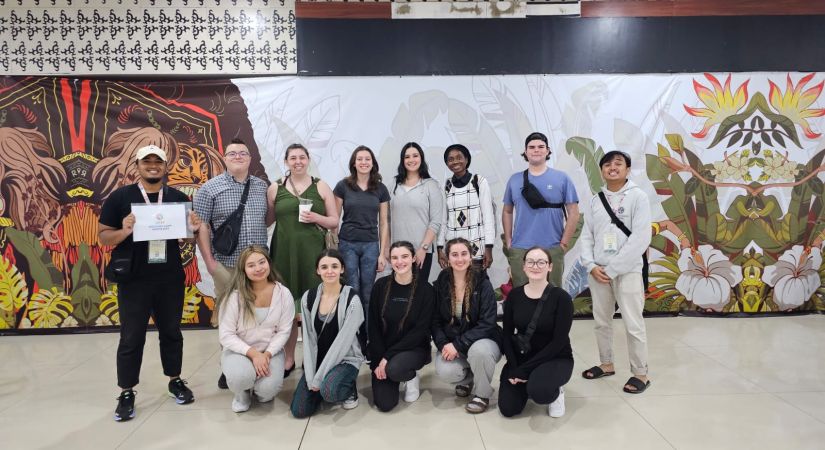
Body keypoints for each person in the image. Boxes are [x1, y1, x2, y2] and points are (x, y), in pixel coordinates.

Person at [98, 144, 201, 422]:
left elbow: (187, 240)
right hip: (134, 280)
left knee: (171, 332)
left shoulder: (177, 198)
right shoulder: (120, 198)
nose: (152, 165)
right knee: (132, 337)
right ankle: (127, 391)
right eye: (147, 161)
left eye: (158, 161)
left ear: (165, 166)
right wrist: (125, 230)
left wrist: (192, 229)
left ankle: (175, 380)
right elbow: (104, 237)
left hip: (169, 277)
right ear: (138, 165)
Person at [193, 137, 270, 389]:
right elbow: (201, 225)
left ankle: (259, 365)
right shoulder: (209, 189)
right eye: (232, 153)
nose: (238, 156)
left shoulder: (261, 187)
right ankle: (229, 367)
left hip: (259, 267)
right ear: (224, 158)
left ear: (250, 158)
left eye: (243, 153)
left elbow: (266, 219)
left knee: (258, 318)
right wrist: (210, 263)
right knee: (230, 319)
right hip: (226, 265)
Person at [580, 150, 652, 394]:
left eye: (618, 164)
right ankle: (606, 363)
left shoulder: (638, 197)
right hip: (598, 272)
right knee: (602, 322)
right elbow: (586, 235)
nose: (612, 167)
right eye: (607, 164)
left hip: (627, 271)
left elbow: (641, 239)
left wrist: (612, 269)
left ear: (628, 170)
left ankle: (640, 373)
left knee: (633, 323)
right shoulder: (595, 200)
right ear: (602, 171)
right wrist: (591, 265)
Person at [267, 143, 339, 379]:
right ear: (286, 161)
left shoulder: (321, 186)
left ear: (308, 159)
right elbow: (268, 219)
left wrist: (317, 217)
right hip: (284, 254)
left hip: (313, 255)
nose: (297, 161)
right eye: (293, 158)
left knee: (313, 306)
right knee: (286, 309)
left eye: (302, 157)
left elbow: (334, 221)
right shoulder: (275, 188)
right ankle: (288, 359)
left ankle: (314, 356)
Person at [499, 247, 573, 418]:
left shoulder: (562, 298)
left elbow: (558, 342)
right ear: (524, 267)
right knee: (508, 409)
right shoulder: (514, 296)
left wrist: (525, 370)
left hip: (555, 358)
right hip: (524, 355)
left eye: (541, 262)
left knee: (539, 392)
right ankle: (529, 381)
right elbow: (507, 334)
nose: (535, 266)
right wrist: (514, 366)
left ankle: (556, 391)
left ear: (550, 267)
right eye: (530, 262)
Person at [218, 246, 295, 412]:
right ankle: (242, 392)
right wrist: (253, 355)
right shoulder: (234, 296)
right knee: (241, 378)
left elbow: (284, 331)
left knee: (267, 392)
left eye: (262, 262)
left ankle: (259, 387)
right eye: (251, 265)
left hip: (270, 351)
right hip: (239, 351)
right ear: (243, 270)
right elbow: (226, 335)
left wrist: (266, 355)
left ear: (269, 263)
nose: (258, 268)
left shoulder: (283, 294)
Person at [291, 249, 365, 418]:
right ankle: (323, 384)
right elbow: (308, 341)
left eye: (334, 266)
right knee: (300, 411)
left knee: (330, 392)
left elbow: (342, 343)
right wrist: (311, 377)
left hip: (345, 359)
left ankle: (347, 387)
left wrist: (318, 379)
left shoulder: (352, 300)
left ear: (342, 269)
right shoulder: (307, 298)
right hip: (319, 359)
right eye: (324, 267)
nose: (329, 271)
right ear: (318, 270)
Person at [432, 238, 501, 414]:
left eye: (464, 254)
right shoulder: (441, 282)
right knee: (446, 371)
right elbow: (435, 320)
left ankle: (482, 394)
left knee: (479, 352)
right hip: (454, 340)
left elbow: (488, 322)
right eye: (454, 254)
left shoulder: (483, 282)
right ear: (447, 258)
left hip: (484, 340)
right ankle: (468, 379)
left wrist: (457, 345)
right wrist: (443, 345)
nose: (460, 259)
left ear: (471, 257)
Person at [502, 132, 580, 288]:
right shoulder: (514, 180)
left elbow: (574, 213)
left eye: (540, 147)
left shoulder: (561, 178)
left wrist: (563, 244)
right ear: (525, 152)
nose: (536, 150)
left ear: (548, 150)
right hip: (520, 248)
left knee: (552, 296)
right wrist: (509, 241)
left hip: (552, 247)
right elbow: (507, 211)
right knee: (522, 296)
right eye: (531, 147)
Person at [369, 241, 435, 412]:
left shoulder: (426, 290)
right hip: (383, 350)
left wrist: (388, 358)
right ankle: (391, 370)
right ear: (390, 261)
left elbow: (420, 332)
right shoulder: (380, 286)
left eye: (405, 256)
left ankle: (411, 376)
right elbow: (373, 327)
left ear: (414, 258)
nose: (400, 262)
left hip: (413, 349)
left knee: (395, 368)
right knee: (385, 404)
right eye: (395, 258)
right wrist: (378, 361)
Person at [333, 145, 390, 333]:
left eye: (367, 159)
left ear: (373, 163)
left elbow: (384, 222)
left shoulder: (380, 189)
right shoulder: (343, 186)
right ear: (354, 163)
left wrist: (383, 253)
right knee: (352, 290)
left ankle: (366, 336)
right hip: (347, 244)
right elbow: (335, 219)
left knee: (368, 293)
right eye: (360, 159)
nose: (364, 162)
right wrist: (334, 248)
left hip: (371, 246)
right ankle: (351, 335)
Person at [437, 144, 496, 272]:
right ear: (447, 163)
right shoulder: (446, 185)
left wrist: (489, 248)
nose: (455, 161)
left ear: (467, 159)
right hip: (453, 250)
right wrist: (439, 248)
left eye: (459, 157)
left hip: (476, 248)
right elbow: (443, 219)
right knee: (455, 288)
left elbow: (488, 217)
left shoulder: (479, 181)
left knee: (477, 287)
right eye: (450, 159)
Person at [389, 142, 443, 281]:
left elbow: (435, 221)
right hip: (398, 252)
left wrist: (423, 248)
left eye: (415, 155)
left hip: (421, 250)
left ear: (421, 158)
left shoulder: (431, 185)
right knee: (399, 293)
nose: (411, 160)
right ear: (402, 160)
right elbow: (386, 219)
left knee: (418, 292)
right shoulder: (394, 184)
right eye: (407, 157)